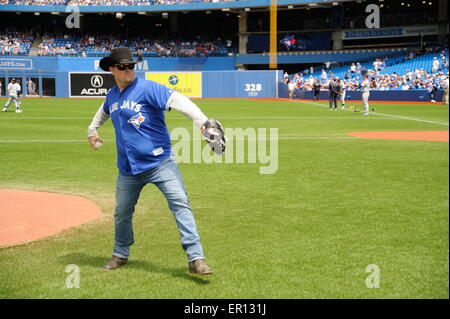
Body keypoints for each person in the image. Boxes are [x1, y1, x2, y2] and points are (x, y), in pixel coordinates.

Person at [87, 47, 226, 275]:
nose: (129, 69)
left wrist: (203, 122)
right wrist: (92, 130)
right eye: (123, 66)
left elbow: (179, 100)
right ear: (112, 69)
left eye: (131, 65)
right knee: (122, 212)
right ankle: (120, 254)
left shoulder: (147, 88)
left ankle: (196, 258)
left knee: (180, 203)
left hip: (160, 163)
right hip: (128, 169)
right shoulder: (112, 95)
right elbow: (103, 112)